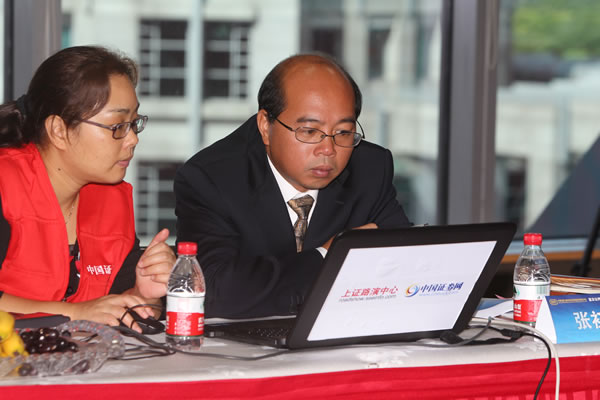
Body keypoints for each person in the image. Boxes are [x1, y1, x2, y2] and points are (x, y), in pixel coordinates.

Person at [175, 53, 411, 319]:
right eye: (310, 132)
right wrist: (327, 256)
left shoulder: (370, 169)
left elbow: (406, 266)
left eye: (344, 132)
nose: (328, 149)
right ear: (265, 126)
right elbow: (212, 291)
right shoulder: (212, 178)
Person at [0, 46, 175, 332]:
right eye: (117, 126)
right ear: (59, 130)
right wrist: (74, 313)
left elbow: (113, 310)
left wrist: (144, 294)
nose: (132, 139)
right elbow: (87, 312)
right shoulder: (5, 184)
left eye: (134, 124)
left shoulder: (111, 199)